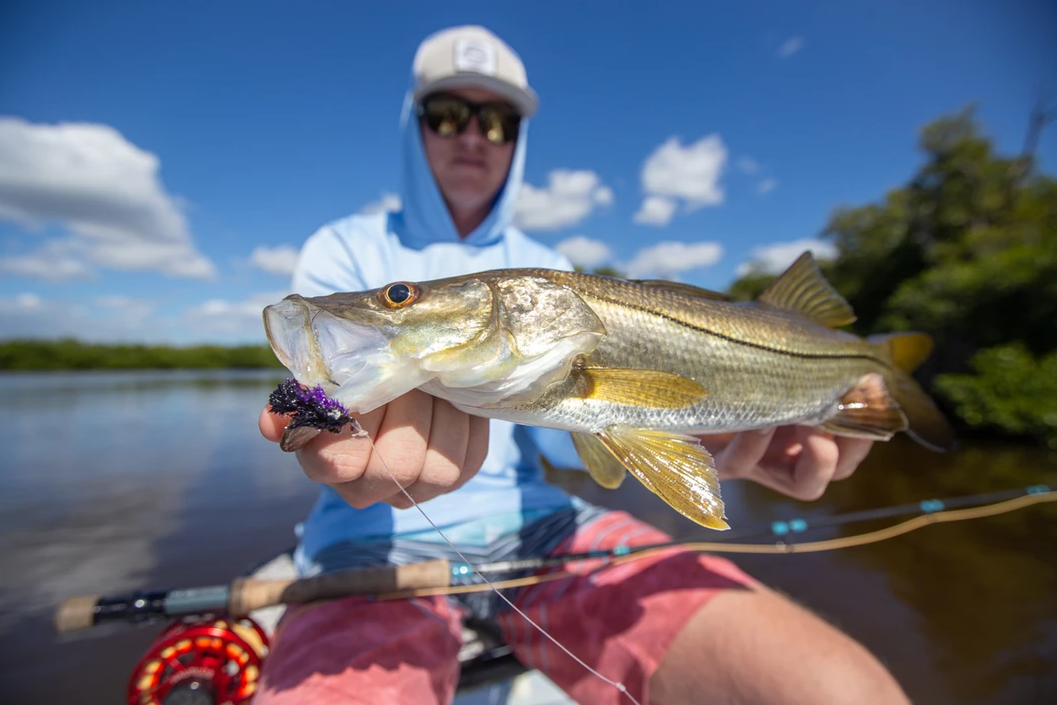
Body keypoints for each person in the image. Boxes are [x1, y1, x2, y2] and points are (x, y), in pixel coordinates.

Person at [255, 25, 910, 705]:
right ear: (413, 127)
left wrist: (709, 439)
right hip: (364, 545)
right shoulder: (340, 249)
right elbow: (311, 395)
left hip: (545, 526)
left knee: (838, 689)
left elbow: (567, 442)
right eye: (448, 115)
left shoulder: (551, 267)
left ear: (517, 138)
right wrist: (314, 421)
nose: (473, 136)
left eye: (498, 120)